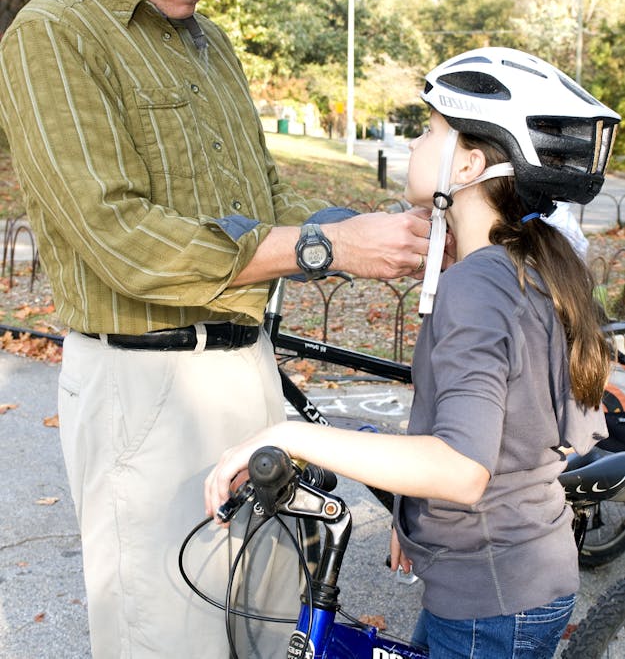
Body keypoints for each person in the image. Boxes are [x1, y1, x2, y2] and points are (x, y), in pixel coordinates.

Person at [0, 0, 442, 656]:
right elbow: (118, 237)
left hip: (249, 371)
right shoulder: (52, 34)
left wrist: (372, 234)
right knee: (170, 636)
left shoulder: (210, 43)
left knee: (268, 626)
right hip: (144, 386)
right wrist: (325, 247)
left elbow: (266, 209)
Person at [205, 47, 621, 659]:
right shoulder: (526, 263)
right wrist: (414, 514)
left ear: (470, 163)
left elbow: (459, 467)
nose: (415, 143)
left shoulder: (476, 285)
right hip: (504, 572)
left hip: (491, 594)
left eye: (430, 131)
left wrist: (290, 435)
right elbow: (501, 428)